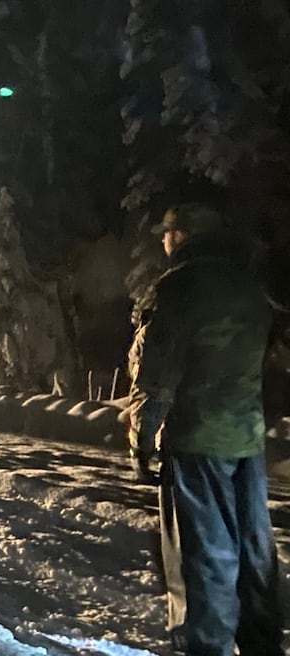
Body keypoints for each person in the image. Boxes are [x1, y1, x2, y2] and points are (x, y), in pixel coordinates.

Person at [126, 202, 282, 655]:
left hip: (195, 438)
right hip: (247, 440)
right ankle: (262, 643)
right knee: (255, 550)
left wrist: (143, 441)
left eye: (168, 232)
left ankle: (205, 646)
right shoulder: (251, 288)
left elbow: (155, 376)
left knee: (204, 555)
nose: (162, 240)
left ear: (185, 236)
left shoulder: (178, 288)